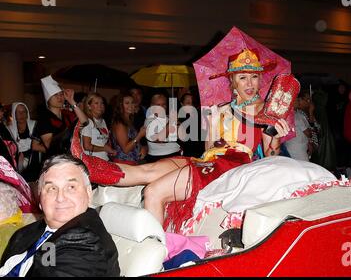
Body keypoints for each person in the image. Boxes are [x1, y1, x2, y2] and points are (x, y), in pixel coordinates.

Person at [101, 49, 291, 233]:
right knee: (147, 171)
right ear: (232, 81)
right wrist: (213, 126)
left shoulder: (267, 111)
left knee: (153, 192)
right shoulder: (221, 109)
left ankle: (159, 257)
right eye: (242, 77)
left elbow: (270, 155)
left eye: (254, 77)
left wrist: (275, 137)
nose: (249, 83)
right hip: (209, 161)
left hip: (234, 165)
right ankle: (88, 169)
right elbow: (209, 149)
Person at [0, 154, 120, 277]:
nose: (60, 198)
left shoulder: (87, 243)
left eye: (71, 187)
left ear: (88, 194)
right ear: (40, 199)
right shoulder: (34, 231)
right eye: (51, 188)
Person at [31, 76, 88, 162]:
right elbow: (50, 145)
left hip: (70, 158)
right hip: (56, 161)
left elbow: (85, 122)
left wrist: (72, 101)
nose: (59, 97)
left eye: (61, 94)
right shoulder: (44, 118)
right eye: (55, 95)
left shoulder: (67, 114)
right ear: (48, 99)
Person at [144, 93, 182, 163]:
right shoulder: (149, 120)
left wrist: (178, 125)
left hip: (175, 154)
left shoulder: (168, 118)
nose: (162, 107)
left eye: (164, 104)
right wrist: (171, 122)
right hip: (159, 157)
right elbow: (159, 139)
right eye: (158, 105)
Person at [110, 92, 146, 165]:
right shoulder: (120, 123)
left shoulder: (128, 120)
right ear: (120, 105)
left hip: (132, 162)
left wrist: (142, 147)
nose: (131, 105)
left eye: (132, 102)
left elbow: (132, 140)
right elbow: (126, 149)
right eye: (127, 103)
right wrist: (140, 135)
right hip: (124, 163)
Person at [81, 93, 116, 161]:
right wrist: (104, 148)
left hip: (104, 159)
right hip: (93, 162)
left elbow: (102, 142)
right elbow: (87, 146)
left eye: (102, 103)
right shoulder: (88, 121)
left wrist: (109, 150)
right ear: (89, 106)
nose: (100, 106)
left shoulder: (102, 121)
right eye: (96, 103)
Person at [7, 102, 37, 176]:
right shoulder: (9, 129)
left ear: (27, 113)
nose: (22, 114)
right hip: (16, 162)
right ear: (14, 114)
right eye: (18, 112)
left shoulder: (35, 125)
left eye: (24, 111)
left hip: (34, 160)